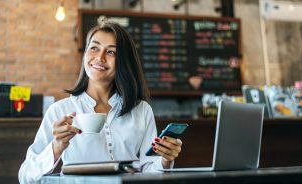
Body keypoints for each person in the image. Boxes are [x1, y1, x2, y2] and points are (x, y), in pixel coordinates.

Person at [18, 20, 183, 183]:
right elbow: (26, 177)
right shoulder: (59, 111)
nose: (100, 57)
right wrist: (57, 146)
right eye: (94, 48)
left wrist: (165, 160)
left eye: (111, 52)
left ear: (124, 61)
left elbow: (150, 172)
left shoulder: (141, 110)